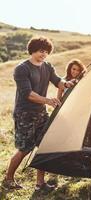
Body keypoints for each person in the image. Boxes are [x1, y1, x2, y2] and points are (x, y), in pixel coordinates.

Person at [2, 36, 74, 191]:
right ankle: (8, 179)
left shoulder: (47, 66)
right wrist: (48, 101)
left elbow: (57, 81)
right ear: (33, 50)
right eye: (41, 51)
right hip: (24, 114)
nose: (44, 54)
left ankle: (40, 184)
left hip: (41, 113)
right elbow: (28, 94)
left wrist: (65, 83)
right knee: (25, 149)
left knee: (44, 146)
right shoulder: (22, 69)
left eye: (47, 52)